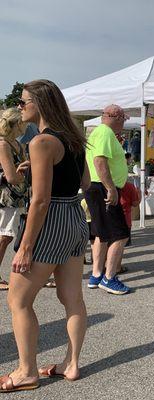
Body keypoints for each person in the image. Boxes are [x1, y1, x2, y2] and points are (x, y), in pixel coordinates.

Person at [0, 79, 90, 393]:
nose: (19, 106)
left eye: (24, 101)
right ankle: (71, 363)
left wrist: (25, 248)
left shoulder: (42, 143)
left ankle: (26, 371)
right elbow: (86, 185)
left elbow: (40, 200)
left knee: (18, 299)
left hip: (51, 220)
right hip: (75, 218)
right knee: (72, 298)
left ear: (40, 103)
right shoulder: (75, 139)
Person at [84, 104, 131, 295]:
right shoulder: (104, 132)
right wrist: (111, 188)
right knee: (120, 234)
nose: (123, 123)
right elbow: (99, 161)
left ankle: (96, 275)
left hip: (96, 187)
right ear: (115, 117)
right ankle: (109, 277)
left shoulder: (101, 132)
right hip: (101, 187)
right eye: (123, 119)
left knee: (101, 234)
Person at [0, 108, 27, 291]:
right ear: (17, 123)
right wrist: (28, 174)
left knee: (10, 236)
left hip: (18, 196)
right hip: (7, 197)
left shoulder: (17, 144)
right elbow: (11, 176)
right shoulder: (3, 144)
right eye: (23, 121)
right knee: (4, 236)